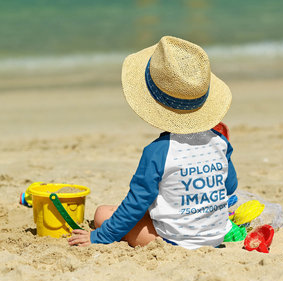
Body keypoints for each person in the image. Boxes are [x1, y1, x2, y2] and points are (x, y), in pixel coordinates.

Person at [68, 36, 238, 249]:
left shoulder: (158, 151)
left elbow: (136, 204)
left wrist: (97, 237)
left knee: (103, 213)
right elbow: (230, 185)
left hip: (175, 242)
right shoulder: (220, 141)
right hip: (215, 236)